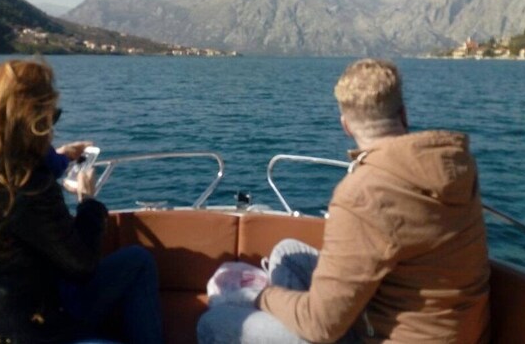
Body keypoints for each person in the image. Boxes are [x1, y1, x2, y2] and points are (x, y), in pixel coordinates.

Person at [198, 59, 490, 343]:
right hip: (453, 329)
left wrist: (259, 297)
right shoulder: (456, 165)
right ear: (403, 114)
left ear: (346, 126)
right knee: (288, 253)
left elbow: (321, 327)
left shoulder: (362, 194)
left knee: (213, 323)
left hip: (389, 336)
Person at [0, 59, 163, 344]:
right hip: (33, 332)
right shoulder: (30, 188)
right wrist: (87, 201)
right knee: (137, 264)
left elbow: (16, 178)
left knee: (136, 262)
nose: (53, 125)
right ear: (33, 122)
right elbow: (82, 266)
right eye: (52, 116)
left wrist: (59, 158)